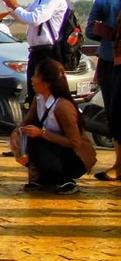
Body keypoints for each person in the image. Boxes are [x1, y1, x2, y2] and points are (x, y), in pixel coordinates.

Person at [13, 59, 96, 194]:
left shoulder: (62, 106)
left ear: (47, 83)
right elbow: (26, 122)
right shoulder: (38, 99)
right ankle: (45, 177)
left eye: (36, 76)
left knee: (37, 139)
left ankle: (65, 178)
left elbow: (75, 143)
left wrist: (42, 134)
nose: (32, 80)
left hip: (75, 157)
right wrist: (16, 133)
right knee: (29, 137)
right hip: (55, 148)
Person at [0, 0, 68, 100]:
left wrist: (15, 6)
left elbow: (34, 19)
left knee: (47, 96)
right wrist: (10, 4)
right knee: (35, 96)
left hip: (48, 53)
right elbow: (24, 17)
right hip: (38, 53)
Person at [86, 0, 121, 181]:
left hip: (112, 62)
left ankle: (119, 164)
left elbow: (90, 30)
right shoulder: (108, 1)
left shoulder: (105, 2)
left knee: (115, 113)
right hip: (111, 61)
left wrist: (107, 33)